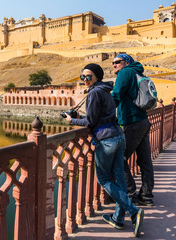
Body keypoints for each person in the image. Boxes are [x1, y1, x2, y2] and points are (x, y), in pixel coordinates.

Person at [66, 63, 144, 237]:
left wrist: (72, 121)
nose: (85, 80)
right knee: (119, 180)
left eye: (89, 77)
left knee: (103, 179)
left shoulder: (94, 92)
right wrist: (80, 117)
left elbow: (91, 122)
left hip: (106, 140)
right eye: (83, 77)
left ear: (97, 77)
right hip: (118, 136)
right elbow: (99, 117)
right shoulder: (106, 90)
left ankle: (133, 211)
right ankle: (118, 218)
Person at [111, 54, 155, 206]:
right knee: (145, 161)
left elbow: (116, 95)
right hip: (143, 121)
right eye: (113, 63)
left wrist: (104, 113)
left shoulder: (126, 72)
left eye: (117, 62)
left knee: (118, 158)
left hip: (132, 121)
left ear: (126, 62)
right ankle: (146, 197)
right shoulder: (137, 72)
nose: (114, 65)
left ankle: (129, 195)